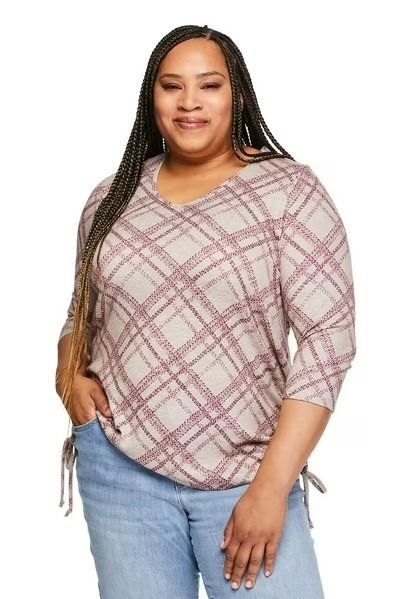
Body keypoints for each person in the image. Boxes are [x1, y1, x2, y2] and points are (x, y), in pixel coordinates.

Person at [56, 24, 356, 598]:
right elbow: (81, 316)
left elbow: (328, 344)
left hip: (249, 478)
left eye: (209, 85)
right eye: (172, 86)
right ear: (152, 98)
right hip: (120, 474)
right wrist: (67, 376)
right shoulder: (111, 197)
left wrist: (271, 489)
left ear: (236, 95)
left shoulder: (289, 192)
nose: (189, 102)